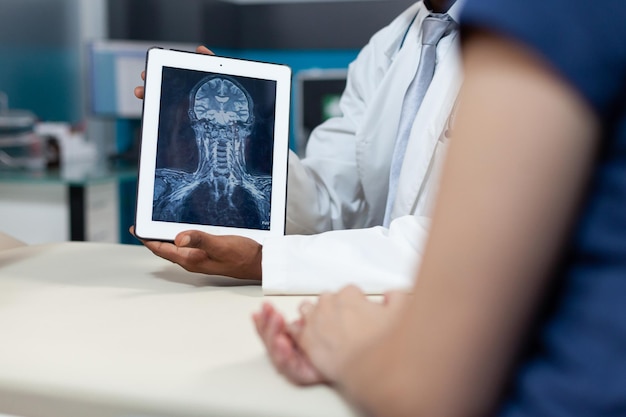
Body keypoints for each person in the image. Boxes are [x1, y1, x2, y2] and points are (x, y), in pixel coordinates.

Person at [254, 0, 626, 415]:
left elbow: (469, 246)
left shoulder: (536, 19)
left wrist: (348, 343)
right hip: (420, 318)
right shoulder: (391, 43)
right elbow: (329, 197)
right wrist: (254, 138)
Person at [132, 0, 464, 294]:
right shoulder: (390, 45)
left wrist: (264, 262)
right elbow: (330, 204)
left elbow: (472, 242)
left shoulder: (512, 38)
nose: (222, 128)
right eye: (208, 121)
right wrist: (259, 146)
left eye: (235, 122)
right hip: (379, 307)